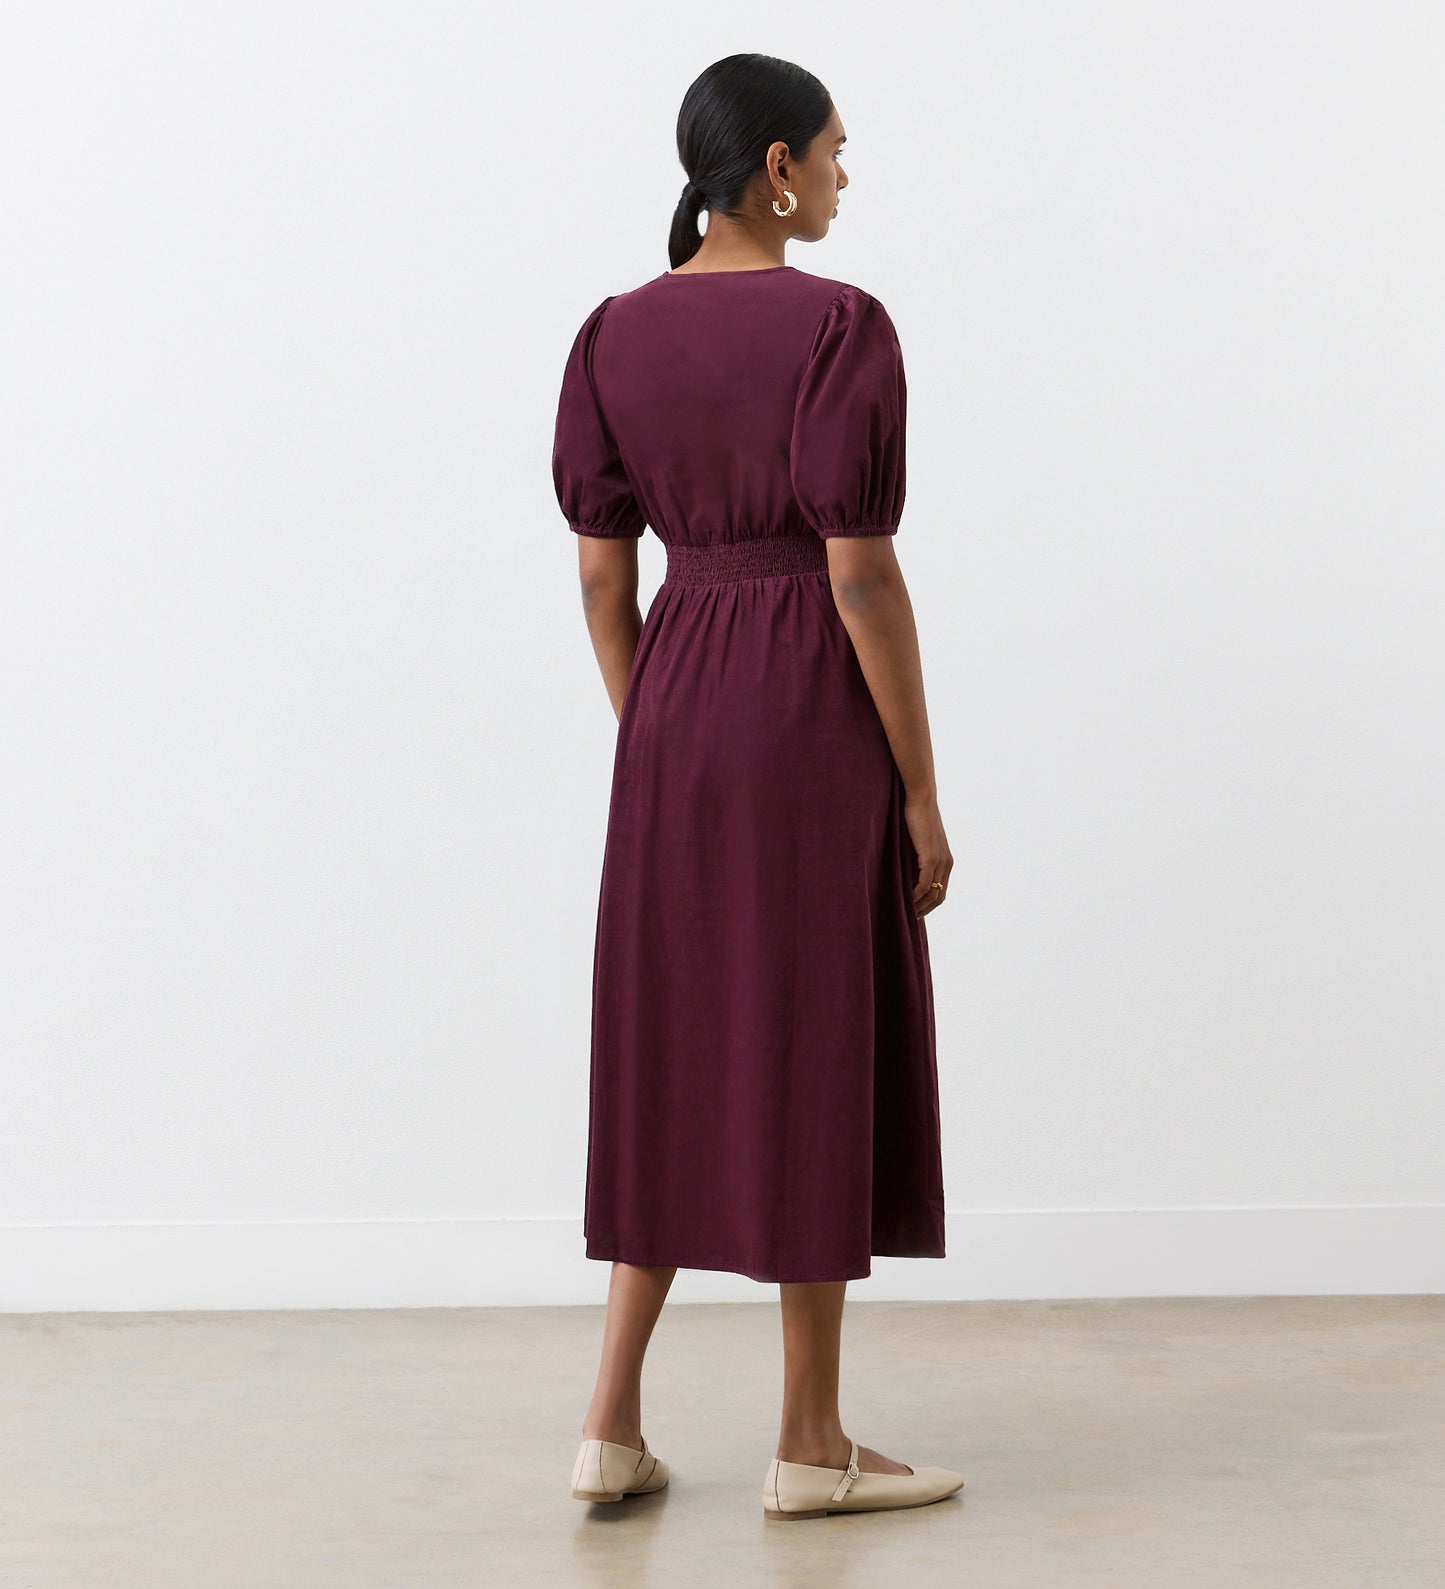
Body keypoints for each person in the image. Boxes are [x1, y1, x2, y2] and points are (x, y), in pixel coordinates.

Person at [553, 53, 964, 1521]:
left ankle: (608, 1423)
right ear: (775, 167)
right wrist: (918, 791)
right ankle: (808, 1439)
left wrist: (659, 728)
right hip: (801, 706)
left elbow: (605, 575)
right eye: (837, 155)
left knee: (666, 1049)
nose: (847, 180)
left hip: (673, 715)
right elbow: (859, 574)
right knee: (808, 1041)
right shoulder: (838, 324)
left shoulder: (610, 334)